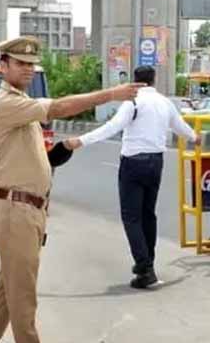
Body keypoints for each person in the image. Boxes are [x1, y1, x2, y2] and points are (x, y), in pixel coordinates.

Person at [0, 36, 143, 343]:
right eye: (20, 63)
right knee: (23, 295)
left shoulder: (20, 104)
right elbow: (58, 107)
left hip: (27, 209)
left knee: (8, 291)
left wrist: (53, 156)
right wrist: (110, 94)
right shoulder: (5, 103)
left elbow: (26, 154)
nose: (27, 69)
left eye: (31, 64)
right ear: (3, 65)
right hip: (15, 210)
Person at [67, 65, 198, 289]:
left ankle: (144, 268)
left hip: (133, 163)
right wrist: (195, 137)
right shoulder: (164, 103)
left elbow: (112, 127)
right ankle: (149, 265)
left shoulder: (133, 103)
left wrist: (81, 141)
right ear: (154, 80)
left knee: (132, 217)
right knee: (148, 215)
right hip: (156, 162)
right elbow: (181, 127)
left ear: (134, 81)